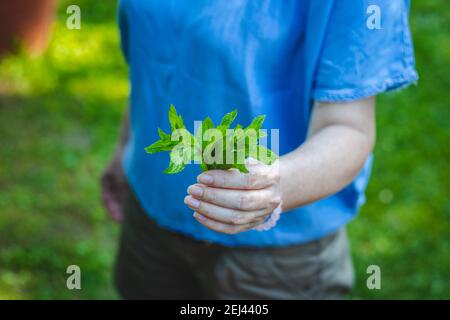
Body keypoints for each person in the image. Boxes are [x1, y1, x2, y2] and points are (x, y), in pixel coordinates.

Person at [101, 0, 418, 299]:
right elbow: (157, 56)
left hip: (275, 257)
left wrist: (272, 185)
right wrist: (127, 144)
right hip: (152, 214)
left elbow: (348, 127)